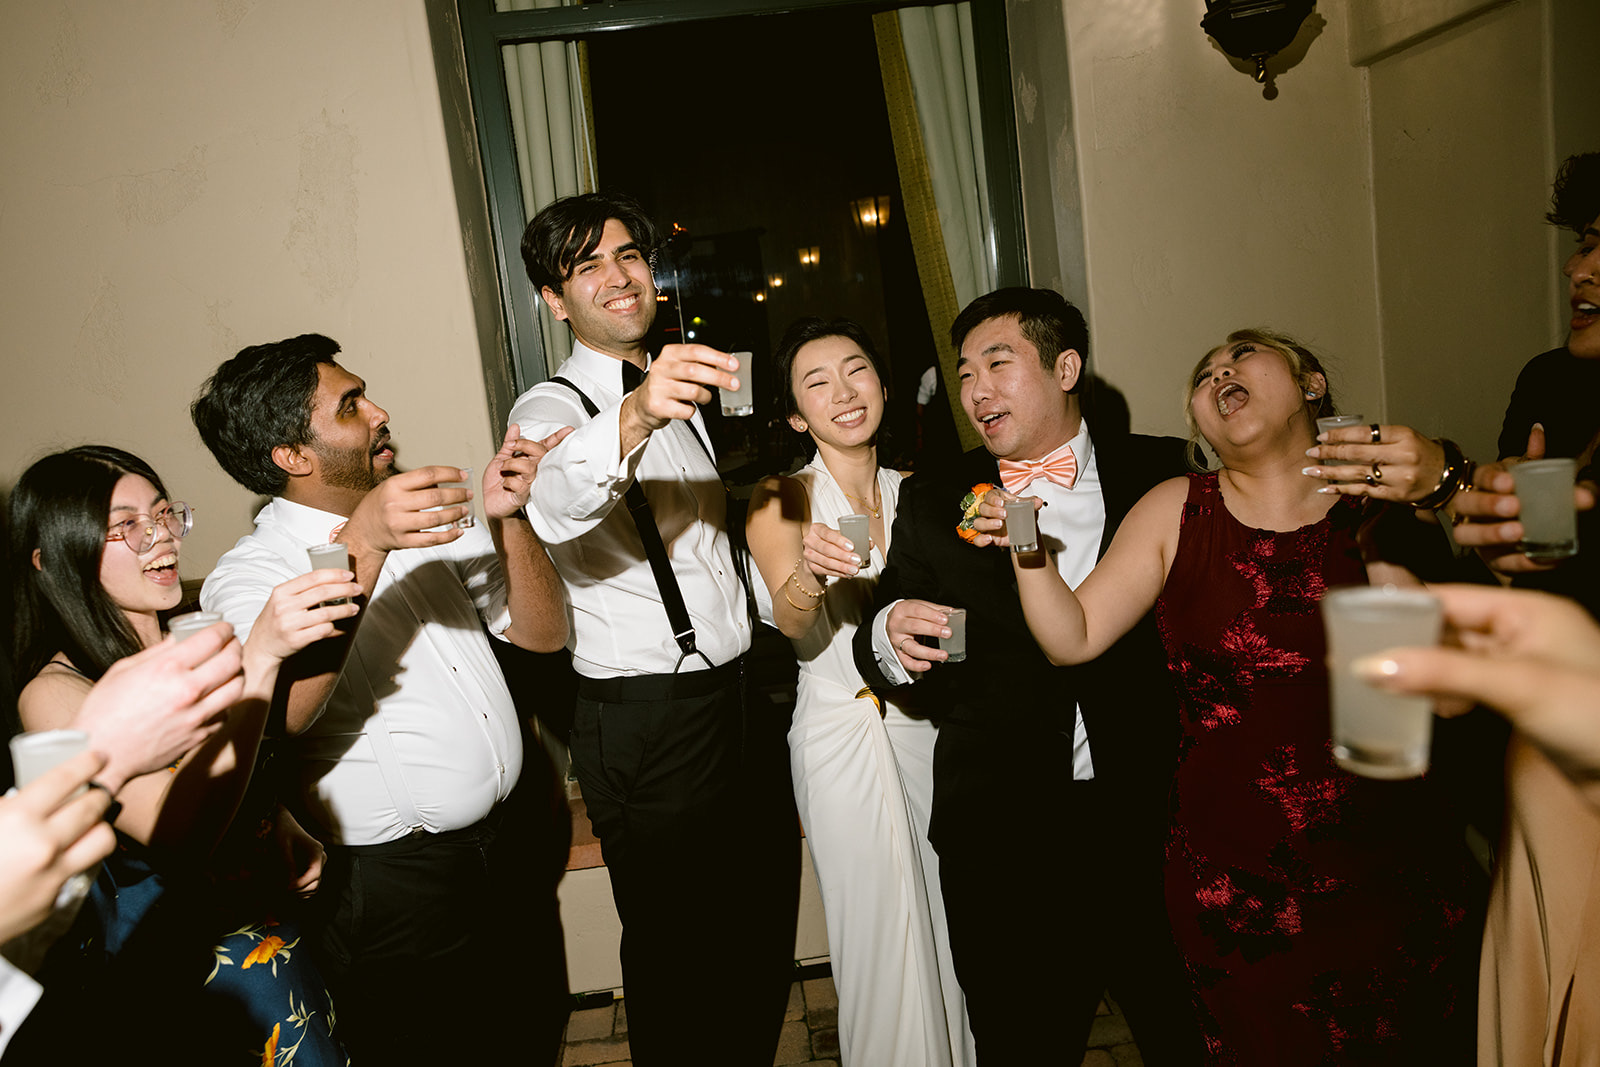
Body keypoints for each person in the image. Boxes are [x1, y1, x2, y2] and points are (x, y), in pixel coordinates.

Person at [1007, 328, 1477, 1063]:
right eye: (1204, 372)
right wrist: (1024, 544)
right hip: (1237, 885)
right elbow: (1073, 636)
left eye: (1244, 353)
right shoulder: (1175, 509)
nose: (1220, 369)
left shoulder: (1386, 509)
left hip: (1393, 874)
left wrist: (1398, 584)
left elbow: (1453, 702)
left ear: (1312, 383)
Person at [191, 334, 572, 1063]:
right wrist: (365, 538)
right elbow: (286, 713)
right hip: (397, 889)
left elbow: (543, 635)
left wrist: (511, 519)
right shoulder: (249, 575)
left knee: (533, 1032)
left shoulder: (423, 522)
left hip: (508, 847)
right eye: (351, 404)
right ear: (291, 455)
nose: (379, 412)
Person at [851, 287, 1199, 1064]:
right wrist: (888, 637)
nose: (976, 390)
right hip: (1002, 836)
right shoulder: (937, 498)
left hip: (1155, 823)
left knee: (1188, 1035)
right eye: (965, 371)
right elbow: (880, 632)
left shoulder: (1165, 472)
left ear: (1065, 365)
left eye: (998, 364)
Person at [508, 191, 800, 1066]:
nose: (617, 275)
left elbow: (706, 555)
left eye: (628, 254)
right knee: (681, 961)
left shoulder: (679, 385)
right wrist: (633, 416)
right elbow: (555, 500)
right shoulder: (547, 407)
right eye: (586, 265)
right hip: (650, 720)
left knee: (759, 934)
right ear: (556, 302)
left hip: (741, 699)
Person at [8, 444, 357, 1064]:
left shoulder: (184, 642)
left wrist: (276, 822)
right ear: (52, 557)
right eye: (126, 525)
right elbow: (175, 832)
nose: (159, 536)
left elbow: (226, 770)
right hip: (184, 970)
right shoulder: (55, 692)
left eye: (163, 513)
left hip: (273, 941)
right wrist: (263, 657)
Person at [745, 317, 974, 1067]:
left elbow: (961, 631)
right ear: (793, 414)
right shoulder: (781, 497)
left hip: (926, 730)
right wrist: (810, 570)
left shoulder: (924, 494)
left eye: (856, 371)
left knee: (949, 916)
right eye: (817, 382)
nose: (843, 392)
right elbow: (789, 618)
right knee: (874, 928)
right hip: (839, 732)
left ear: (884, 383)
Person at [1437, 151, 1600, 600]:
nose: (1575, 268)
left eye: (1590, 248)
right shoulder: (1547, 377)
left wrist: (1438, 476)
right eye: (1584, 245)